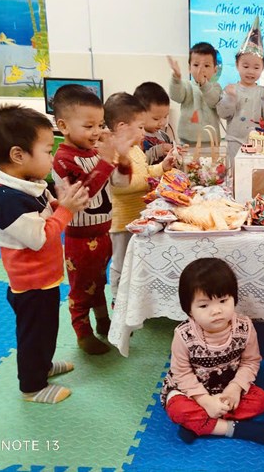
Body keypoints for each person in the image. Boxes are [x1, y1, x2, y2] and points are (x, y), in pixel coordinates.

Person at [0, 105, 89, 403]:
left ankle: (42, 365)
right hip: (30, 286)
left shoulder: (28, 184)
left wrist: (59, 205)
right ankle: (32, 386)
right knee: (33, 335)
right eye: (47, 151)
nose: (51, 158)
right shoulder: (8, 200)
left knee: (47, 329)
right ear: (18, 155)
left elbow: (45, 209)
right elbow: (39, 238)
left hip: (45, 278)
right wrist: (66, 211)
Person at [52, 84, 132, 355]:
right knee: (80, 288)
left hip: (104, 233)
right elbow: (84, 193)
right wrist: (107, 160)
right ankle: (82, 332)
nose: (96, 132)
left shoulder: (96, 153)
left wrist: (123, 159)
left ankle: (103, 321)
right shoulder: (62, 160)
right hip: (80, 239)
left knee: (99, 283)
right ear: (63, 126)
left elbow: (119, 184)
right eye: (88, 126)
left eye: (99, 125)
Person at [160, 258, 264, 445]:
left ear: (234, 298)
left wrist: (235, 389)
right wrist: (204, 400)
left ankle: (198, 424)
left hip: (228, 389)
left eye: (223, 300)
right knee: (177, 409)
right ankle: (229, 428)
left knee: (261, 400)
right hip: (191, 392)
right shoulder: (183, 335)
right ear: (189, 310)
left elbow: (250, 362)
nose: (216, 311)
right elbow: (181, 373)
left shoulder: (245, 327)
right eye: (204, 305)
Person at [104, 92, 175, 303]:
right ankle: (118, 299)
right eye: (141, 127)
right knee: (120, 261)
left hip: (138, 216)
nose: (145, 132)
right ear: (122, 127)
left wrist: (162, 168)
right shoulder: (114, 153)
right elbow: (121, 186)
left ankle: (135, 295)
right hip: (121, 222)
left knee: (137, 258)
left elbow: (145, 171)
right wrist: (151, 183)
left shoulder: (135, 149)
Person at [217, 16, 264, 169]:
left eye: (256, 67)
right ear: (237, 65)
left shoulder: (262, 92)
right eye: (246, 66)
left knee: (255, 174)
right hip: (234, 140)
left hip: (258, 142)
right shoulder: (231, 89)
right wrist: (230, 98)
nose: (250, 71)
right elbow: (223, 114)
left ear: (262, 68)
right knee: (236, 173)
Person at [167, 42, 222, 146]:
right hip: (186, 142)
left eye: (206, 65)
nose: (201, 69)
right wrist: (176, 78)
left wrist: (204, 84)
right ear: (189, 68)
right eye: (196, 65)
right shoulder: (186, 85)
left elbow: (214, 101)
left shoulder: (216, 87)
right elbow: (176, 96)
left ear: (215, 69)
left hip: (211, 142)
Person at [134, 81, 175, 165]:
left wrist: (177, 151)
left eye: (165, 116)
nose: (162, 123)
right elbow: (139, 164)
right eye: (156, 119)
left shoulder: (164, 136)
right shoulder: (136, 139)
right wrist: (158, 150)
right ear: (138, 114)